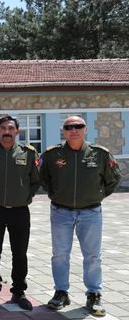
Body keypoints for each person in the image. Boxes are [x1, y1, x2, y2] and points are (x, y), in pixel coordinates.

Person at [40, 115, 121, 317]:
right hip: (61, 212)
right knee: (60, 254)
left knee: (93, 255)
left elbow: (113, 179)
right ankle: (61, 292)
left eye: (78, 126)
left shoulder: (100, 154)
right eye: (69, 127)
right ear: (64, 131)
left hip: (91, 212)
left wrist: (97, 195)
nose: (73, 130)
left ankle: (94, 294)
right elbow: (43, 178)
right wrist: (56, 194)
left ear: (86, 130)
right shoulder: (52, 155)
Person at [0, 116, 40, 310]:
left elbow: (36, 180)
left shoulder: (28, 153)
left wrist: (24, 197)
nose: (6, 132)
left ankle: (19, 291)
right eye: (3, 128)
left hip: (20, 211)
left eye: (11, 128)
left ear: (17, 131)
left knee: (20, 254)